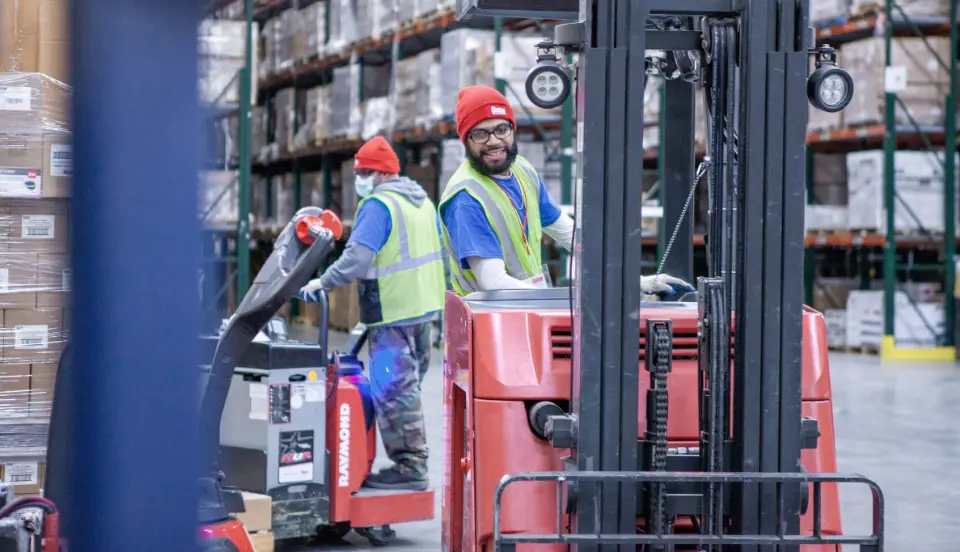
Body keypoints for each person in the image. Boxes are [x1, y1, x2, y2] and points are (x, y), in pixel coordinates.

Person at [438, 84, 695, 296]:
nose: (494, 141)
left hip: (522, 309)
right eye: (480, 134)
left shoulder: (522, 171)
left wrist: (630, 280)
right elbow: (492, 282)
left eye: (501, 129)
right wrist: (554, 299)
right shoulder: (466, 198)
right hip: (487, 324)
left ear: (513, 130)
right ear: (466, 141)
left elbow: (570, 235)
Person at [298, 135, 444, 491]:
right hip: (423, 310)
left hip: (393, 313)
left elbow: (358, 258)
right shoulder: (421, 202)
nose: (359, 179)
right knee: (405, 390)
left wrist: (323, 282)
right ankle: (410, 461)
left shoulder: (380, 206)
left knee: (392, 389)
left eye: (363, 172)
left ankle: (410, 468)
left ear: (379, 174)